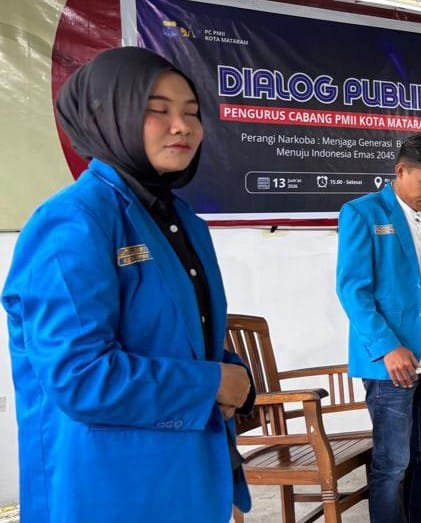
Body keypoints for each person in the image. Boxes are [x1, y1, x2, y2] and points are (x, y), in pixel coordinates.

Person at [1, 46, 255, 522]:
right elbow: (79, 376)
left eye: (192, 112)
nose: (182, 126)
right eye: (157, 110)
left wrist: (233, 374)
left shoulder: (181, 220)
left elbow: (183, 335)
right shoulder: (74, 221)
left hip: (185, 476)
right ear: (108, 117)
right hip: (108, 488)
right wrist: (211, 383)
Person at [336, 133, 421, 522]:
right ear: (401, 171)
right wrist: (387, 347)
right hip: (392, 360)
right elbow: (353, 291)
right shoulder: (362, 213)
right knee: (393, 462)